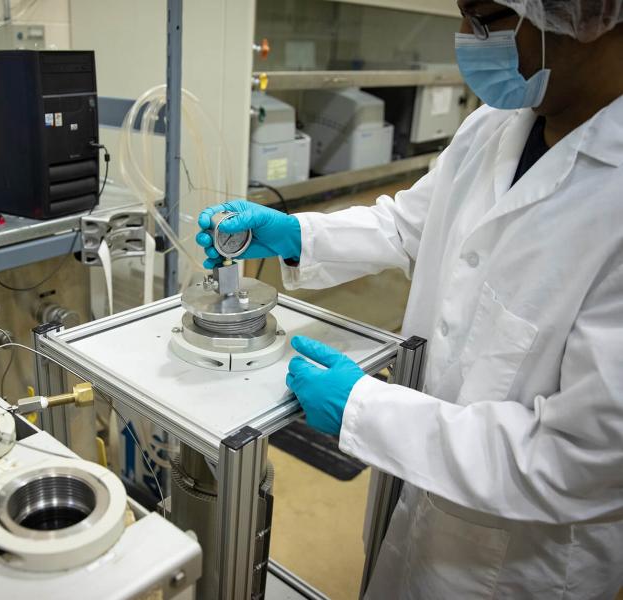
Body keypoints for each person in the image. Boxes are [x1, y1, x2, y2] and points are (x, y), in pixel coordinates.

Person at [196, 1, 623, 597]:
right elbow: (407, 226)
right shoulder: (496, 125)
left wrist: (370, 414)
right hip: (415, 502)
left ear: (591, 19)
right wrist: (298, 235)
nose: (464, 39)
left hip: (519, 563)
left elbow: (583, 461)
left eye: (487, 18)